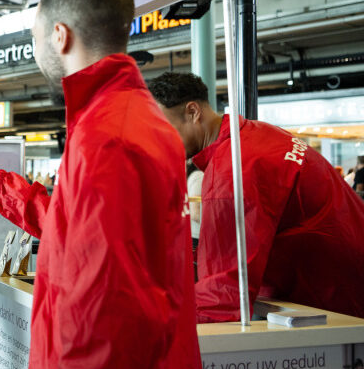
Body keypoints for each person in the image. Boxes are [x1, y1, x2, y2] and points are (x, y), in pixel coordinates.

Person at [0, 0, 203, 369]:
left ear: (59, 35)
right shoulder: (137, 118)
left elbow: (97, 301)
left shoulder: (105, 133)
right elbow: (76, 231)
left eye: (35, 36)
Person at [148, 72, 364, 321]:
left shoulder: (232, 170)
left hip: (335, 302)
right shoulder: (256, 134)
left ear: (193, 112)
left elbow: (223, 296)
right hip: (343, 279)